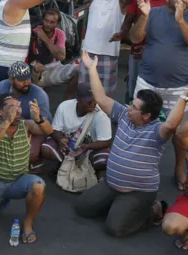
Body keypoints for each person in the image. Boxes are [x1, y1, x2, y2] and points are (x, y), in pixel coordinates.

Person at [75, 51, 178, 237]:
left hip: (137, 192)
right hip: (112, 184)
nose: (129, 108)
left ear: (146, 116)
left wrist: (185, 98)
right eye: (131, 104)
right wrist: (92, 69)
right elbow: (101, 97)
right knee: (83, 208)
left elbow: (171, 125)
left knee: (115, 228)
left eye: (134, 107)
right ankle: (119, 207)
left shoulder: (156, 131)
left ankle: (153, 211)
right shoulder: (124, 115)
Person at [129, 0, 188, 191]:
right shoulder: (153, 13)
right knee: (139, 125)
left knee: (179, 132)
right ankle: (136, 169)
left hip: (179, 87)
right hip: (148, 82)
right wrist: (144, 16)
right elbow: (135, 38)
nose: (183, 0)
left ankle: (179, 168)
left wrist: (180, 20)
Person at [0, 94, 53, 244]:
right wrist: (7, 122)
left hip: (18, 181)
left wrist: (38, 118)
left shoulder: (26, 125)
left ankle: (27, 224)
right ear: (0, 111)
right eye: (12, 107)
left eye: (19, 106)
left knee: (38, 187)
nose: (18, 111)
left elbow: (48, 131)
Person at [76, 0, 132, 97]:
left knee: (105, 95)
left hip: (109, 54)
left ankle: (104, 118)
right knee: (84, 92)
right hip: (88, 51)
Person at [0, 62, 51, 166]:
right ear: (11, 80)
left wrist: (16, 117)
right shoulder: (2, 85)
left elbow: (43, 127)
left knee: (30, 156)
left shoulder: (40, 95)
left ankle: (36, 160)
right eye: (22, 80)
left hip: (31, 127)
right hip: (8, 121)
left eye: (28, 78)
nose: (27, 83)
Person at [119, 0, 169, 103]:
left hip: (158, 54)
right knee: (133, 85)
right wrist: (122, 34)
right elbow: (128, 20)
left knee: (153, 90)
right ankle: (129, 114)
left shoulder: (168, 1)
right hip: (137, 52)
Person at [40, 88, 112, 174]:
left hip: (90, 149)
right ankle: (65, 166)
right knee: (46, 148)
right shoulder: (64, 106)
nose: (93, 103)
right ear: (78, 99)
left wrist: (88, 146)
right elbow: (55, 129)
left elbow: (106, 141)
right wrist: (60, 140)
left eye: (95, 100)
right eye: (89, 100)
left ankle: (92, 171)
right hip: (68, 147)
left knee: (105, 159)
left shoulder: (101, 114)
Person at [27, 8, 78, 91]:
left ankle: (68, 99)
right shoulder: (34, 32)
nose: (47, 24)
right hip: (36, 71)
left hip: (51, 69)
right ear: (42, 20)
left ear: (57, 23)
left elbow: (61, 57)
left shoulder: (60, 33)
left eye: (52, 22)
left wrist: (45, 38)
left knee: (78, 68)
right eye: (46, 20)